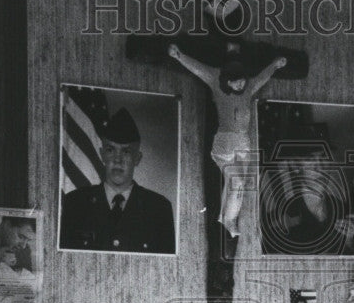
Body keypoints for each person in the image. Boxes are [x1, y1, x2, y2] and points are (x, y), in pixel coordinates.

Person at [169, 42, 286, 237]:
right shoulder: (216, 80)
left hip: (243, 145)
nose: (241, 84)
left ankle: (227, 218)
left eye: (242, 80)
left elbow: (261, 79)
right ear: (226, 80)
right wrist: (179, 56)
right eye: (236, 81)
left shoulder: (247, 88)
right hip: (225, 144)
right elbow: (197, 68)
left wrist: (275, 65)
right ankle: (229, 220)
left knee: (238, 187)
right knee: (237, 184)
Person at [60, 107, 175, 253]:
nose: (117, 160)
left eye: (126, 151)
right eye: (110, 150)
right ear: (102, 155)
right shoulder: (75, 204)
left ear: (137, 158)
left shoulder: (159, 209)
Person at [259, 145, 354, 256]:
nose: (320, 167)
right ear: (295, 166)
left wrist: (350, 242)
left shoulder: (340, 207)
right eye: (309, 159)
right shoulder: (282, 213)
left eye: (324, 157)